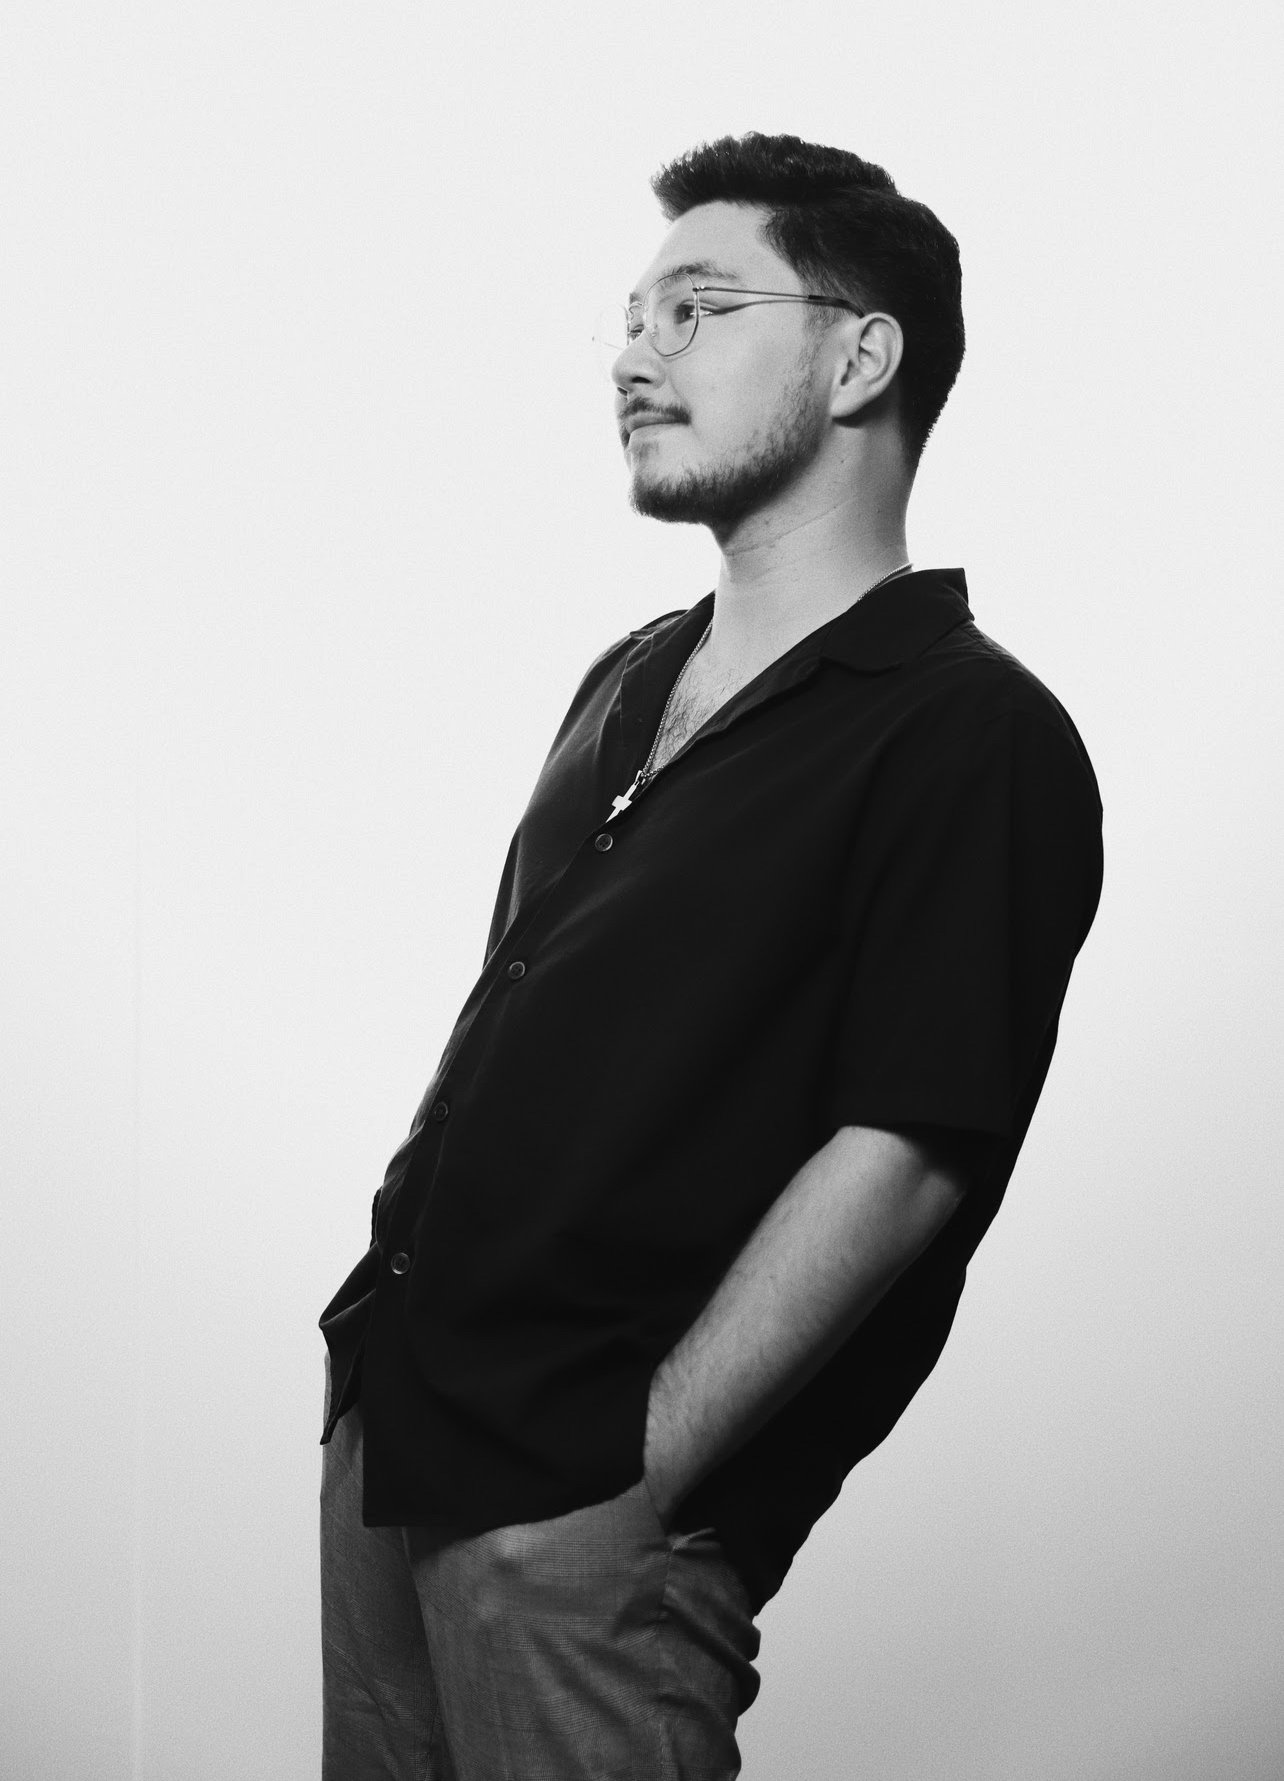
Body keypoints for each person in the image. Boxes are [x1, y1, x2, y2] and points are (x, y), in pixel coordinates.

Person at [318, 131, 1103, 1780]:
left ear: (858, 353)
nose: (629, 355)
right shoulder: (629, 673)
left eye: (695, 309)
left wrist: (642, 1471)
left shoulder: (975, 735)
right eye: (630, 314)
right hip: (397, 1450)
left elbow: (907, 1153)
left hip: (581, 1524)